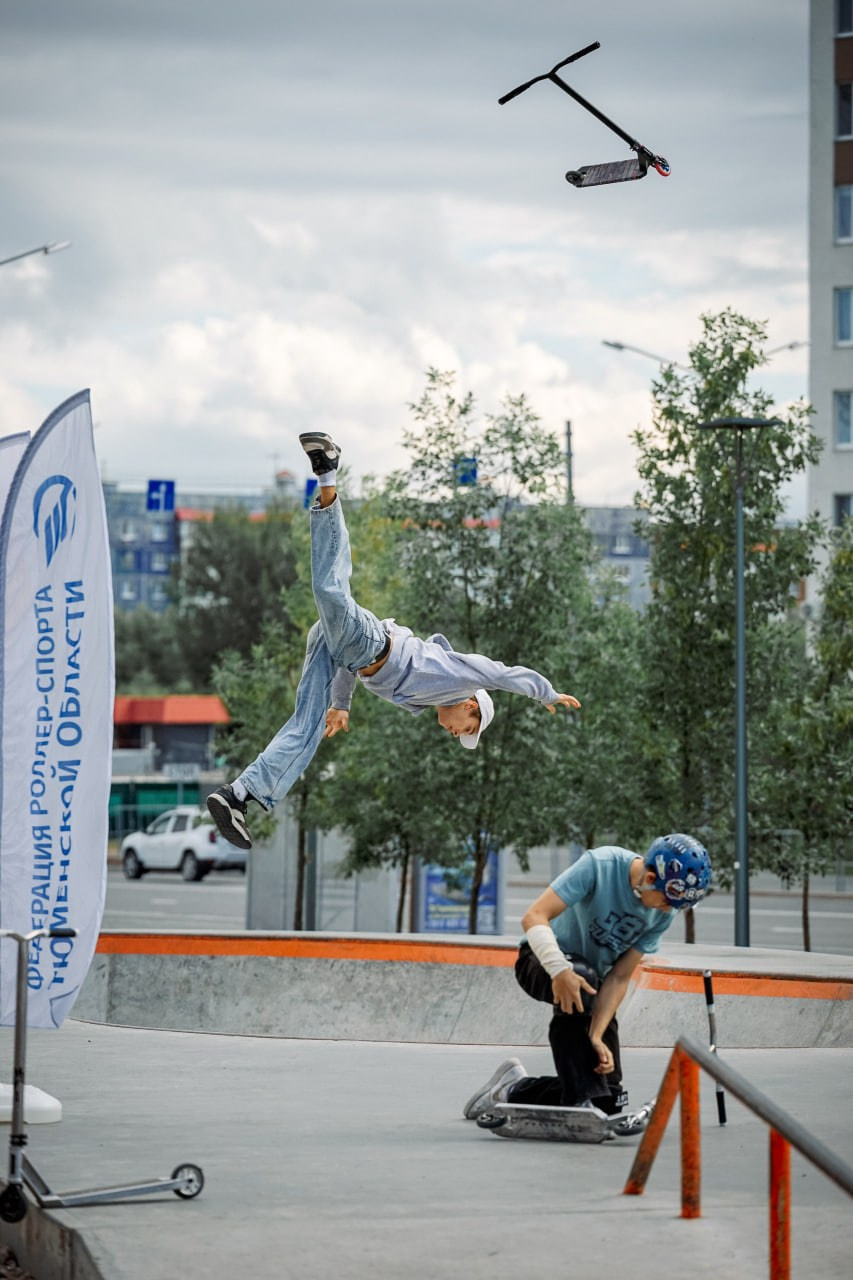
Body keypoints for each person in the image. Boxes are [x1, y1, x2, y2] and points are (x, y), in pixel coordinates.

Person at [207, 431, 581, 851]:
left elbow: (351, 663)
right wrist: (544, 693)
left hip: (344, 650)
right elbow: (499, 673)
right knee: (329, 588)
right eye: (466, 729)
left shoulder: (420, 701)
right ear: (471, 706)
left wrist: (341, 704)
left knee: (304, 726)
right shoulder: (459, 678)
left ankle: (237, 795)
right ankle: (328, 472)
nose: (456, 733)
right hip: (368, 638)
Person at [463, 834, 712, 1124]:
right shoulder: (600, 865)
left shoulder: (661, 916)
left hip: (592, 988)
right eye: (668, 900)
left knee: (607, 1097)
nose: (669, 909)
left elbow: (619, 977)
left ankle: (512, 1089)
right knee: (579, 977)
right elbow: (534, 917)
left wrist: (596, 1034)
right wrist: (559, 970)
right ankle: (577, 1100)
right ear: (650, 876)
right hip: (540, 959)